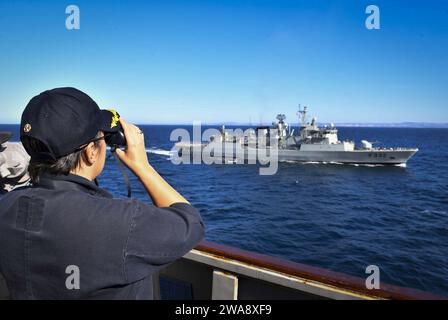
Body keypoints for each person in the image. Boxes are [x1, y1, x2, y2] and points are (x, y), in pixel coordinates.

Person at [0, 87, 205, 299]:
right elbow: (191, 224)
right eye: (101, 139)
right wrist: (143, 167)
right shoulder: (122, 223)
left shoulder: (6, 207)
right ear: (90, 152)